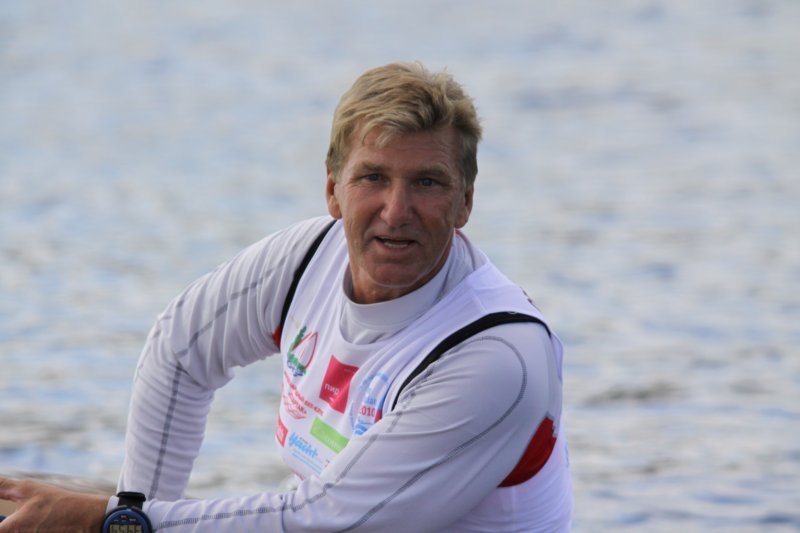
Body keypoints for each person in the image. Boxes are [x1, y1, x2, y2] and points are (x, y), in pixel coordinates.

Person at [0, 61, 572, 532]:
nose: (396, 211)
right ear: (333, 189)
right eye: (373, 178)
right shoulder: (306, 260)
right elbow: (178, 351)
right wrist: (132, 510)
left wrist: (116, 524)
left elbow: (332, 520)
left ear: (465, 202)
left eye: (427, 182)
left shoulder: (498, 358)